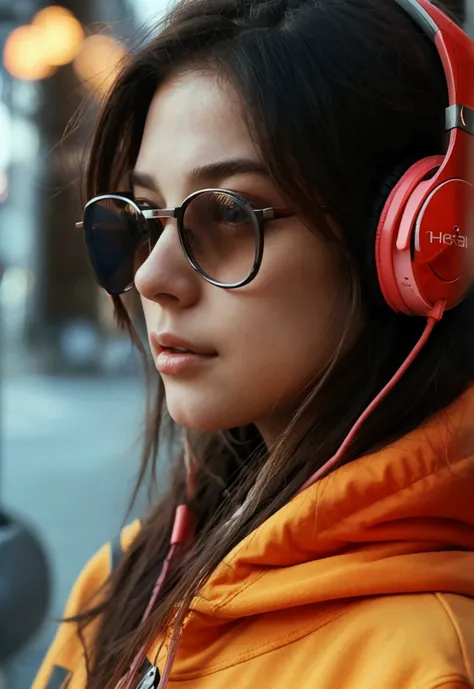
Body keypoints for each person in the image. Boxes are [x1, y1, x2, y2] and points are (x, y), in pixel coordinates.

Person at [33, 0, 474, 688]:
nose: (152, 276)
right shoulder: (123, 575)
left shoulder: (422, 663)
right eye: (143, 216)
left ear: (409, 244)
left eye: (229, 213)